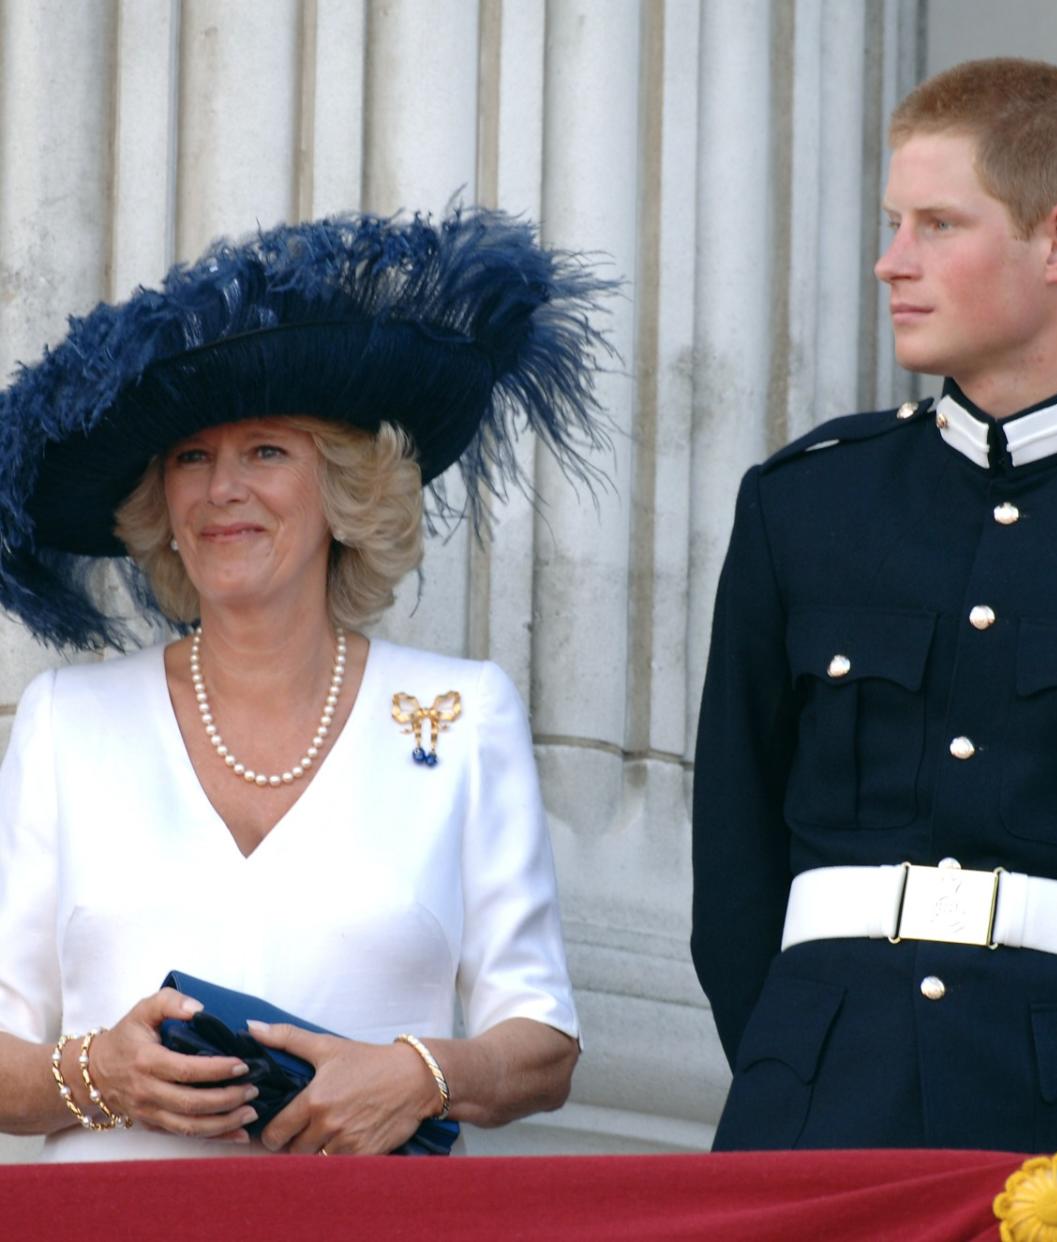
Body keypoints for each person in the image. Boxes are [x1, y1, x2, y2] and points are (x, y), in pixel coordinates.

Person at [691, 57, 1057, 1153]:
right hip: (817, 1110)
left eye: (938, 224)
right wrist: (793, 1066)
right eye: (895, 223)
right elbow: (736, 868)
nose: (892, 262)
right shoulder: (805, 505)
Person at [0, 208, 615, 1160]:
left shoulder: (459, 716)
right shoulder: (65, 723)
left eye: (266, 452)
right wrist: (96, 1074)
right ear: (159, 501)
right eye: (191, 459)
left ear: (345, 486)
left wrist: (419, 1075)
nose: (221, 490)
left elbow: (541, 1043)